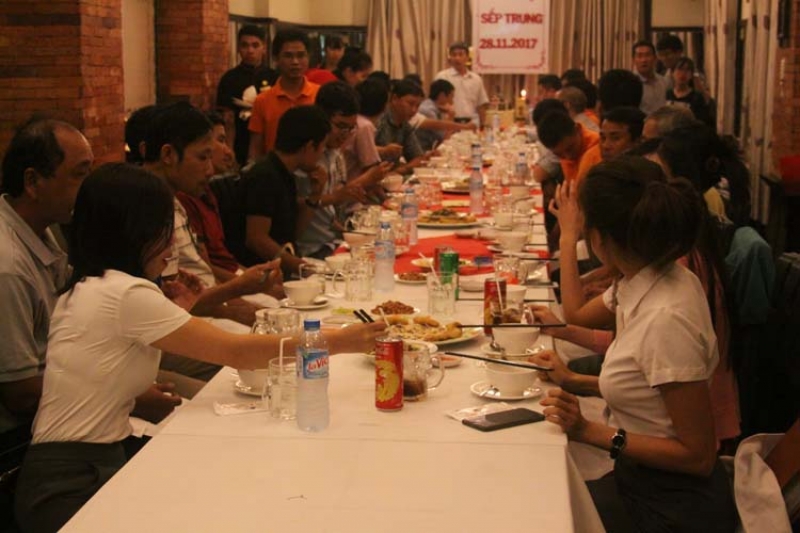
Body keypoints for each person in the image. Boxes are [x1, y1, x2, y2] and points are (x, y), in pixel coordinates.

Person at [12, 163, 386, 532]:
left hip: (78, 466)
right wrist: (339, 341)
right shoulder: (124, 292)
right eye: (163, 229)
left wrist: (182, 312)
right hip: (71, 485)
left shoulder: (90, 286)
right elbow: (237, 352)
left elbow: (100, 365)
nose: (170, 245)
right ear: (134, 230)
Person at [533, 157, 737, 532]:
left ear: (599, 239)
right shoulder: (650, 276)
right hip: (640, 480)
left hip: (671, 506)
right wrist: (572, 380)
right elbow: (648, 391)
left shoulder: (666, 319)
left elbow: (698, 456)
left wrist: (587, 430)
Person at [231, 105, 332, 275]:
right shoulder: (265, 175)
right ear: (309, 146)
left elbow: (292, 235)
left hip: (281, 271)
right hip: (259, 275)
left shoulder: (285, 172)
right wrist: (304, 269)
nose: (322, 154)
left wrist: (314, 196)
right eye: (323, 147)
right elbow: (256, 239)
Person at [296, 82, 386, 258]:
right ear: (322, 117)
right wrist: (339, 196)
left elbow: (330, 212)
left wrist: (349, 233)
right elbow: (297, 206)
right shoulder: (307, 155)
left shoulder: (335, 153)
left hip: (332, 241)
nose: (346, 134)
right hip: (310, 250)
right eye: (340, 126)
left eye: (351, 128)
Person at [248, 29, 320, 160]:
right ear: (276, 58)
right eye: (288, 56)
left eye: (301, 55)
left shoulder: (319, 95)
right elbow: (255, 149)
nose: (295, 62)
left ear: (309, 57)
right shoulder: (262, 100)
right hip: (274, 170)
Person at [215, 24, 278, 167]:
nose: (250, 50)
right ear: (238, 48)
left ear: (264, 48)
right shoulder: (229, 79)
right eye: (245, 45)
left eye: (255, 45)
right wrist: (228, 151)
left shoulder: (275, 77)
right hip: (240, 142)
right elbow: (227, 120)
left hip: (270, 142)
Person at [374, 79, 428, 175]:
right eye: (410, 104)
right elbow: (362, 151)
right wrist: (384, 151)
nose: (414, 110)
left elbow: (418, 158)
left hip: (391, 178)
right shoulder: (378, 120)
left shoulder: (405, 125)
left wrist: (398, 171)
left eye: (417, 106)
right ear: (394, 99)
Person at [434, 42, 489, 127]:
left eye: (461, 54)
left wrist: (483, 125)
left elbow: (481, 105)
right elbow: (434, 102)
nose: (457, 58)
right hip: (449, 123)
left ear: (467, 57)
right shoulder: (442, 77)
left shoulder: (476, 79)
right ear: (450, 58)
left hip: (471, 124)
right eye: (454, 55)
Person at [537, 110, 600, 183]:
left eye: (570, 148)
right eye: (559, 155)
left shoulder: (598, 148)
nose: (568, 157)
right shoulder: (564, 149)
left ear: (577, 129)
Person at [667, 57, 713, 127]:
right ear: (672, 73)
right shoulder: (667, 94)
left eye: (687, 70)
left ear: (691, 75)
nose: (683, 73)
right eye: (680, 69)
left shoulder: (697, 97)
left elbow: (702, 121)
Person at [632, 40, 668, 115]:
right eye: (639, 56)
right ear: (634, 60)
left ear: (655, 58)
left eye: (647, 55)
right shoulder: (630, 83)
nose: (644, 60)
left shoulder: (665, 82)